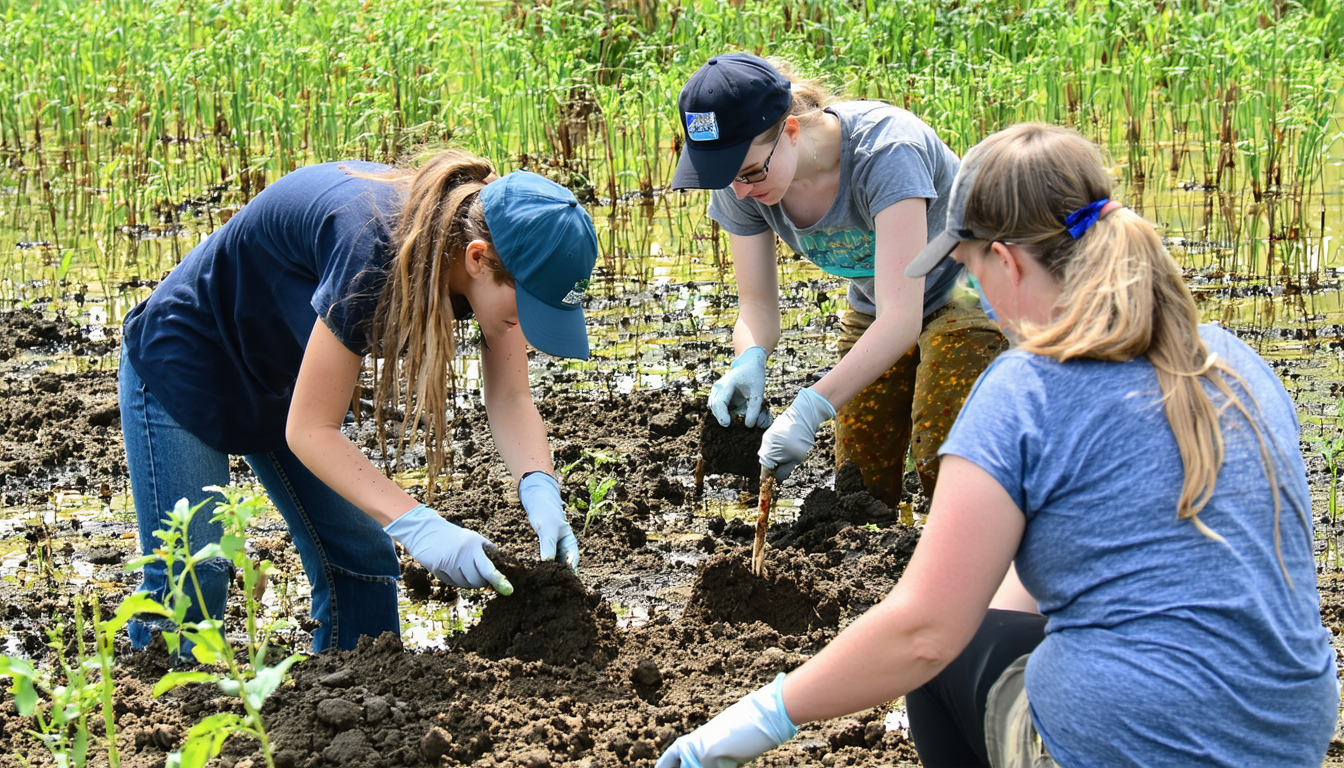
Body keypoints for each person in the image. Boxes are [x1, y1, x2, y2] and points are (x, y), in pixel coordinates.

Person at [657, 123, 1337, 768]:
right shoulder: (1233, 362)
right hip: (1286, 740)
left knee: (945, 659)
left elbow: (924, 635)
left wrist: (751, 721)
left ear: (1006, 262)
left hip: (1126, 750)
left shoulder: (1025, 390)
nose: (976, 293)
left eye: (971, 270)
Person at [119, 150, 596, 652]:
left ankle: (354, 705)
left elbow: (512, 394)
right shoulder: (376, 253)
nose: (525, 326)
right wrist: (421, 525)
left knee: (362, 556)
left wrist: (540, 487)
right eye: (527, 308)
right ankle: (161, 717)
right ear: (478, 259)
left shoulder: (484, 255)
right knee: (198, 572)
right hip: (187, 359)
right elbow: (310, 429)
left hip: (284, 375)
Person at [672, 53, 1006, 505]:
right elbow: (757, 307)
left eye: (750, 173)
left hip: (967, 290)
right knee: (859, 484)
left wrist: (811, 407)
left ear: (789, 132)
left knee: (943, 456)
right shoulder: (742, 183)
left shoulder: (887, 151)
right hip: (878, 306)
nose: (742, 191)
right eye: (725, 178)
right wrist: (748, 357)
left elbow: (903, 317)